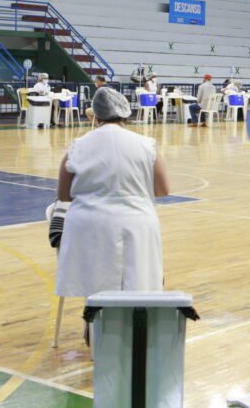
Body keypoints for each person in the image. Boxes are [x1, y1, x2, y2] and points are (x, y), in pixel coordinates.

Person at [55, 87, 170, 298]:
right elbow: (163, 189)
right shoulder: (147, 145)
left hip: (88, 226)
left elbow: (63, 195)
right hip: (137, 225)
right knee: (138, 286)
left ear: (96, 115)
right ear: (126, 113)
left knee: (94, 287)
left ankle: (93, 325)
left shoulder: (76, 147)